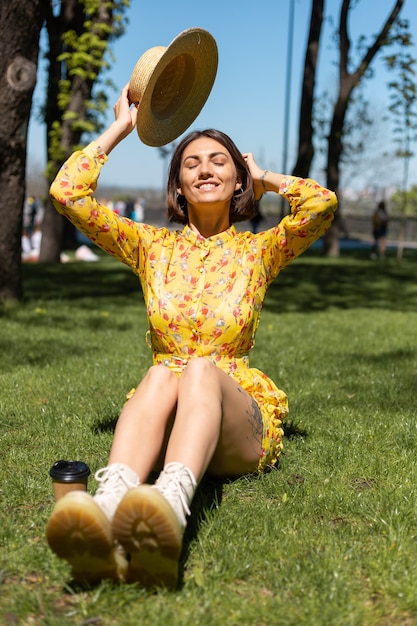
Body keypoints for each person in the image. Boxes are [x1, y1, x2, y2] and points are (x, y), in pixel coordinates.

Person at [46, 83, 338, 590]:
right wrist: (121, 128)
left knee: (199, 367)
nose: (206, 169)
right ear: (178, 185)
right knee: (162, 372)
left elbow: (321, 205)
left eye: (220, 161)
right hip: (167, 412)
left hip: (235, 422)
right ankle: (108, 509)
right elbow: (66, 195)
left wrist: (263, 177)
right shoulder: (149, 247)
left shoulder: (261, 252)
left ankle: (168, 510)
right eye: (192, 163)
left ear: (237, 178)